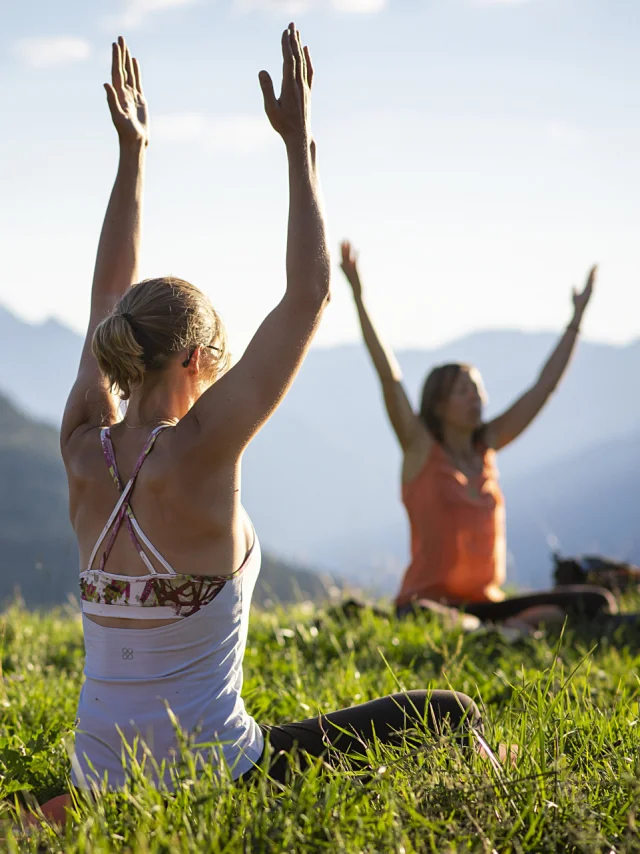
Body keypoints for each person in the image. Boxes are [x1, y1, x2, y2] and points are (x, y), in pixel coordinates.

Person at [31, 31, 483, 828]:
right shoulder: (201, 450)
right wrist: (298, 145)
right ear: (201, 359)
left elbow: (107, 293)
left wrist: (133, 158)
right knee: (447, 713)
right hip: (211, 786)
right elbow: (309, 295)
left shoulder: (80, 445)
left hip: (99, 787)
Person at [339, 241, 617, 631]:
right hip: (427, 605)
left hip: (486, 604)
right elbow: (390, 378)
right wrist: (359, 298)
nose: (476, 398)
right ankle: (503, 632)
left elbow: (543, 388)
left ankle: (501, 631)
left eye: (478, 389)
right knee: (429, 618)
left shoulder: (488, 446)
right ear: (438, 404)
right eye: (463, 391)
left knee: (596, 601)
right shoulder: (420, 449)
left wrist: (577, 318)